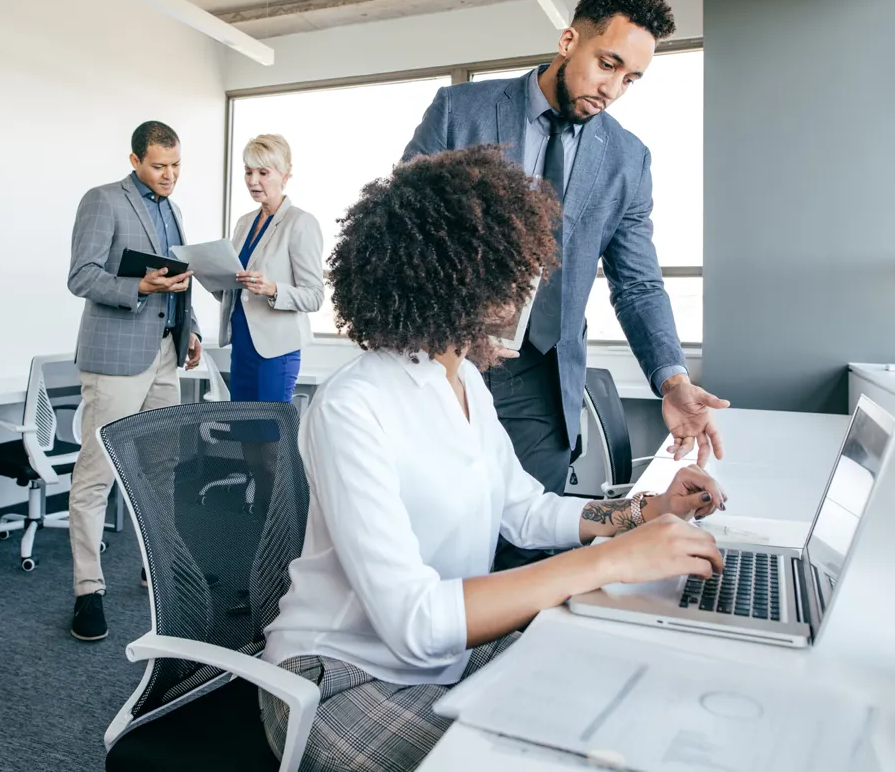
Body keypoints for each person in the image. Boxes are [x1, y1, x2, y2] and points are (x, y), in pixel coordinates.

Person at [258, 147, 726, 772]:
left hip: (442, 658)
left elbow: (525, 511)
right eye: (513, 278)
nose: (521, 298)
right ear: (455, 280)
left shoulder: (467, 384)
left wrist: (645, 512)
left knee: (615, 704)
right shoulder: (354, 405)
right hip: (340, 678)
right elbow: (415, 622)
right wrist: (610, 559)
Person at [402, 0, 729, 569]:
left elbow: (638, 280)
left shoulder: (628, 159)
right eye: (607, 64)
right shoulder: (461, 112)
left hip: (541, 374)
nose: (615, 89)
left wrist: (672, 378)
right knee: (438, 537)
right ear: (569, 40)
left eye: (631, 78)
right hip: (446, 357)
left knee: (525, 536)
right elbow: (402, 226)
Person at [66, 120, 202, 641]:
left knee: (162, 468)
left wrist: (186, 328)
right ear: (135, 161)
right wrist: (137, 286)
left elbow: (177, 280)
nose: (169, 175)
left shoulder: (173, 210)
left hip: (164, 354)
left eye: (175, 166)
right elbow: (82, 275)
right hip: (117, 359)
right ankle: (87, 591)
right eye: (158, 166)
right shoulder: (103, 201)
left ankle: (155, 567)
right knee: (97, 474)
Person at [216, 134, 324, 506]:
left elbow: (314, 295)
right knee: (248, 441)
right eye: (248, 172)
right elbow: (237, 286)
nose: (253, 181)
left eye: (263, 172)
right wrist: (213, 277)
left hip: (275, 352)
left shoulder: (300, 223)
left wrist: (274, 288)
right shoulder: (245, 223)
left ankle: (280, 532)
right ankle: (259, 525)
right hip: (243, 345)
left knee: (271, 449)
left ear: (286, 175)